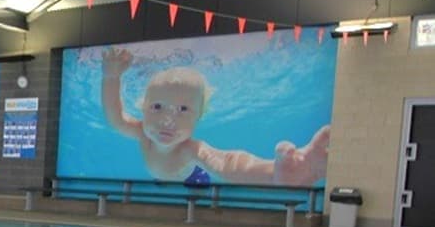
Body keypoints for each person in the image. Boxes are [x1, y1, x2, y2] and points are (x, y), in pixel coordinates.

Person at [101, 48, 330, 186]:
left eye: (183, 109)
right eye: (157, 106)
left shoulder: (190, 149)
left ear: (199, 116)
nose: (168, 120)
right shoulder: (143, 132)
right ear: (142, 107)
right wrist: (111, 77)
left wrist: (273, 173)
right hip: (162, 178)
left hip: (193, 181)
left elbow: (228, 163)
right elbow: (116, 118)